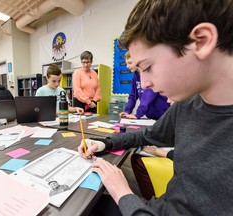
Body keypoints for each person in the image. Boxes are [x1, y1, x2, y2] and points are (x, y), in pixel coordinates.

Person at [78, 1, 233, 215]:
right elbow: (147, 135)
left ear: (201, 41)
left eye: (148, 67)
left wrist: (123, 194)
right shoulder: (188, 106)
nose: (144, 83)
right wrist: (104, 143)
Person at [119, 52, 170, 120]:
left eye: (130, 63)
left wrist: (138, 114)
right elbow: (133, 95)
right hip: (151, 115)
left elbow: (148, 95)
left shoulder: (151, 73)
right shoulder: (135, 76)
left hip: (163, 114)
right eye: (126, 63)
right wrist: (127, 111)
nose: (127, 66)